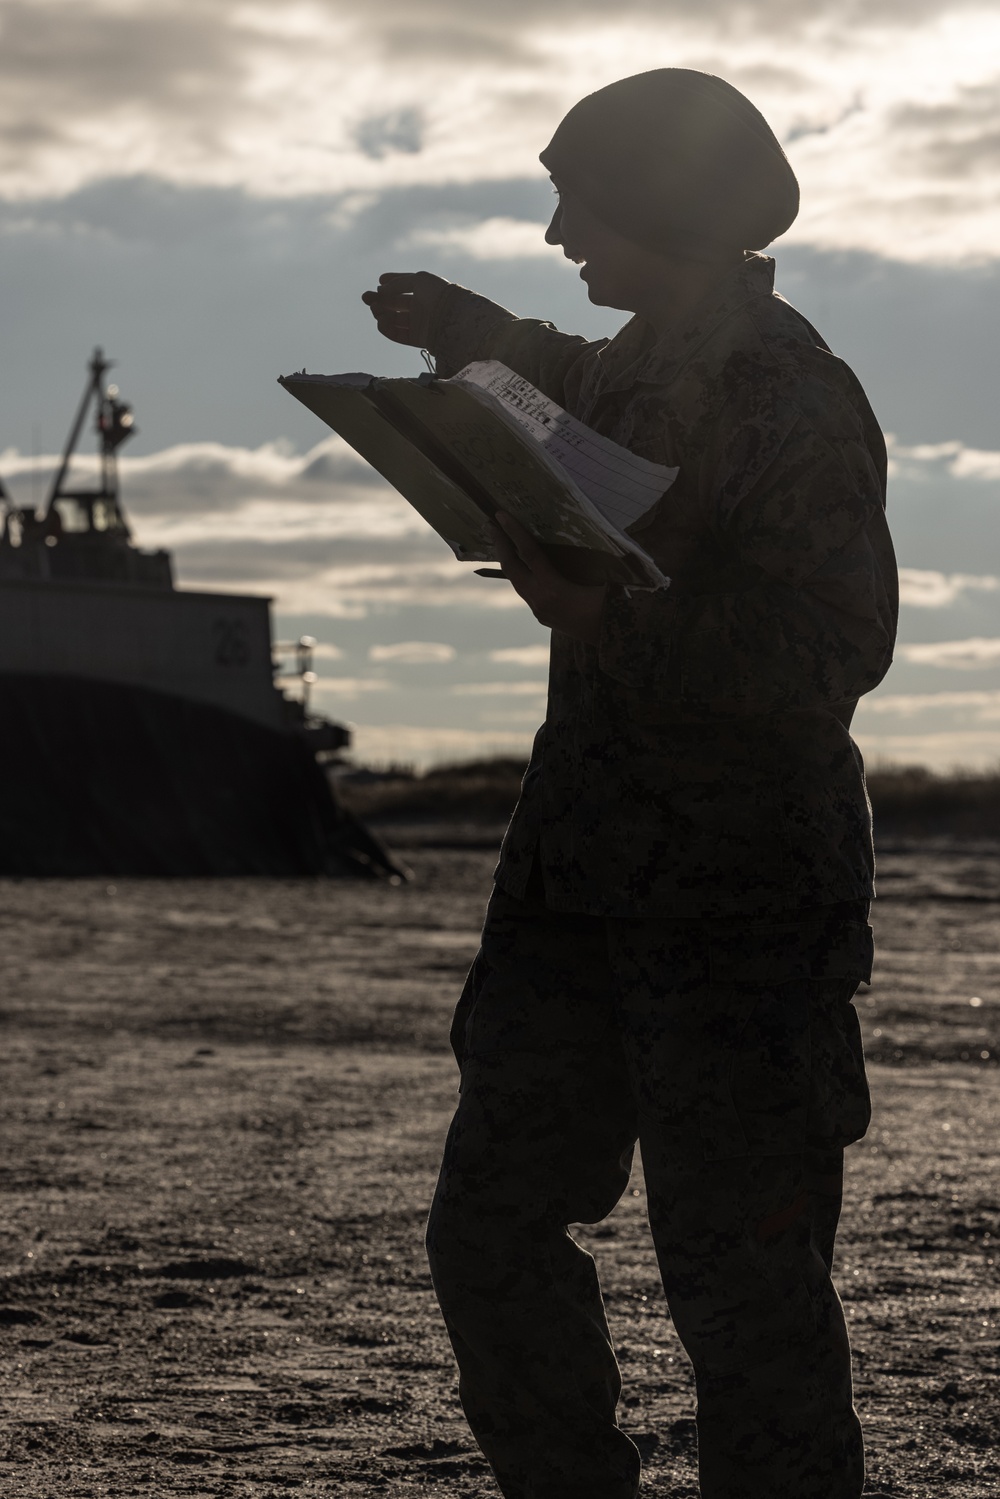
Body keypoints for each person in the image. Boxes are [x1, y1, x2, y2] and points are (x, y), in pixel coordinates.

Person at [363, 68, 897, 1499]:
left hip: (741, 909)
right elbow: (555, 372)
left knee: (746, 1306)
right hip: (576, 888)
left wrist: (618, 622)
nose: (554, 233)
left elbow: (838, 642)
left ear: (660, 206)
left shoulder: (791, 389)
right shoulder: (625, 359)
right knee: (488, 1230)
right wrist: (457, 334)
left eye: (576, 202)